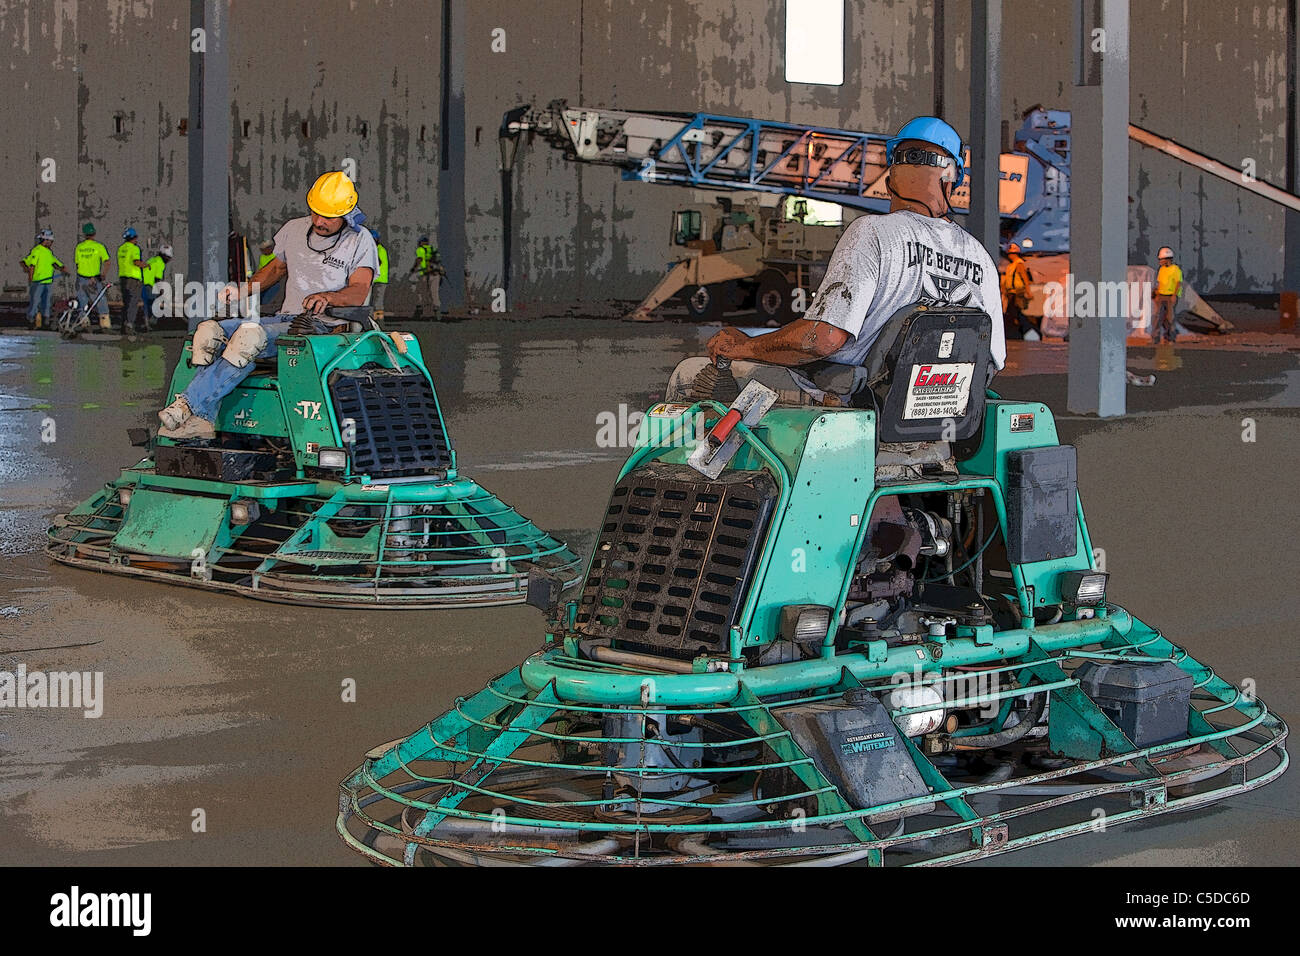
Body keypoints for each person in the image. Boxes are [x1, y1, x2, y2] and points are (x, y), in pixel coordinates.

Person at [667, 116, 1005, 405]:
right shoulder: (982, 259)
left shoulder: (873, 232)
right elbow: (991, 360)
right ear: (953, 179)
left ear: (890, 178)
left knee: (690, 375)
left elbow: (822, 339)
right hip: (941, 418)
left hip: (854, 407)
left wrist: (747, 346)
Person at [157, 170, 378, 440]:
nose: (319, 221)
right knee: (209, 333)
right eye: (315, 213)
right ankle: (203, 420)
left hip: (324, 329)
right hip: (287, 319)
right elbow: (275, 269)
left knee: (249, 339)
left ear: (346, 213)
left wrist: (329, 297)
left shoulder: (360, 240)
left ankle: (189, 406)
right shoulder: (294, 230)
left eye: (328, 217)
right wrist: (245, 289)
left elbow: (359, 290)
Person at [21, 228, 68, 329]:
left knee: (47, 303)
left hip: (48, 281)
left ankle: (45, 322)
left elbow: (56, 262)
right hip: (38, 282)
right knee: (35, 302)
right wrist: (30, 278)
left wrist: (63, 268)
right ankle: (31, 321)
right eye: (50, 241)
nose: (51, 243)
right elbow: (31, 265)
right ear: (45, 240)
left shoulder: (48, 252)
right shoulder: (37, 250)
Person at [74, 223, 112, 331]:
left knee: (82, 301)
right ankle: (104, 323)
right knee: (100, 300)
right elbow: (107, 262)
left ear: (84, 234)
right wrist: (103, 275)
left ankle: (83, 322)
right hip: (94, 279)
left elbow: (77, 264)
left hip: (81, 278)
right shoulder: (99, 246)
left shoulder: (79, 247)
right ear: (94, 234)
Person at [1000, 242, 1037, 340]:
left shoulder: (1019, 264)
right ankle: (1020, 332)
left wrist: (1028, 291)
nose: (1009, 256)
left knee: (1015, 313)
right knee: (1013, 313)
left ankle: (1027, 330)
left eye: (1010, 254)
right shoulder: (1011, 266)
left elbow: (1024, 277)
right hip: (1011, 293)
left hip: (1017, 292)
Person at [116, 226, 146, 336]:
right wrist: (146, 265)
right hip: (133, 279)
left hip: (123, 278)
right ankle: (129, 325)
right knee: (133, 303)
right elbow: (136, 262)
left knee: (126, 303)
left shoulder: (121, 248)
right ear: (134, 237)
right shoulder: (134, 248)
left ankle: (123, 326)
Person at [409, 235, 445, 320]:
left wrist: (413, 269)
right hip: (436, 274)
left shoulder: (420, 250)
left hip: (425, 274)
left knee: (421, 293)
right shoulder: (432, 249)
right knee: (434, 293)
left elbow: (419, 259)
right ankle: (437, 313)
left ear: (421, 243)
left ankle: (419, 311)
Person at [1151, 246, 1182, 344]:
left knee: (1170, 318)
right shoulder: (1162, 269)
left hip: (1170, 296)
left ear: (1167, 259)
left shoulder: (1175, 269)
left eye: (1161, 259)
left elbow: (1178, 283)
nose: (1160, 261)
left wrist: (1174, 295)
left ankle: (1170, 337)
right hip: (1161, 296)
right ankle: (1155, 338)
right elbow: (1160, 283)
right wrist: (1156, 292)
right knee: (1157, 317)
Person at [141, 244, 173, 329]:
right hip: (149, 284)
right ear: (163, 256)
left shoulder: (153, 259)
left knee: (146, 305)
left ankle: (146, 323)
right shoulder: (160, 263)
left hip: (142, 283)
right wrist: (161, 292)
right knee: (155, 304)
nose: (169, 259)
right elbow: (157, 279)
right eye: (168, 257)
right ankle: (152, 321)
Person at [369, 228, 389, 324]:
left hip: (379, 280)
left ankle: (379, 321)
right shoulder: (379, 249)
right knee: (376, 300)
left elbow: (378, 262)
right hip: (378, 279)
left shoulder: (379, 249)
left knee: (378, 301)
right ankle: (377, 319)